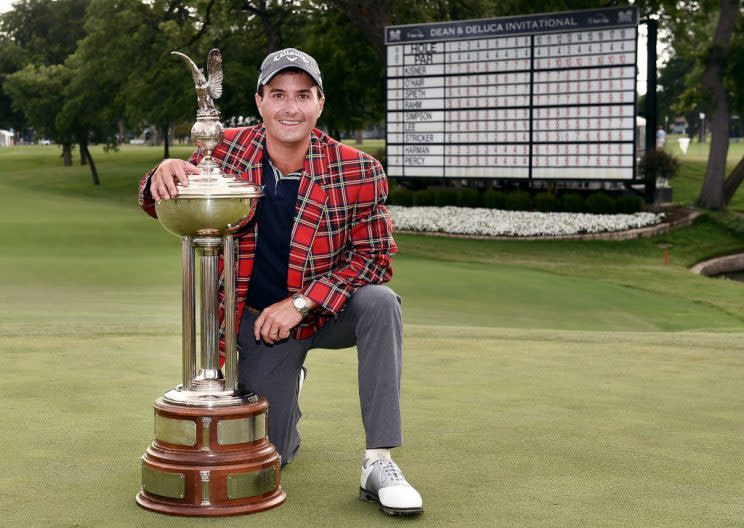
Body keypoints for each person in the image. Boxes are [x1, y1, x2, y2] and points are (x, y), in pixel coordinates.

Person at [137, 48, 423, 516]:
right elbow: (167, 201)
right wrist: (160, 175)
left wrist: (304, 302)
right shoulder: (225, 149)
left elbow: (375, 258)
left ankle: (379, 462)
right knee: (274, 454)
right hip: (260, 326)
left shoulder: (358, 169)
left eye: (303, 95)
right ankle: (290, 380)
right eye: (278, 95)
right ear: (260, 101)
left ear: (319, 103)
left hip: (325, 312)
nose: (291, 107)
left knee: (381, 303)